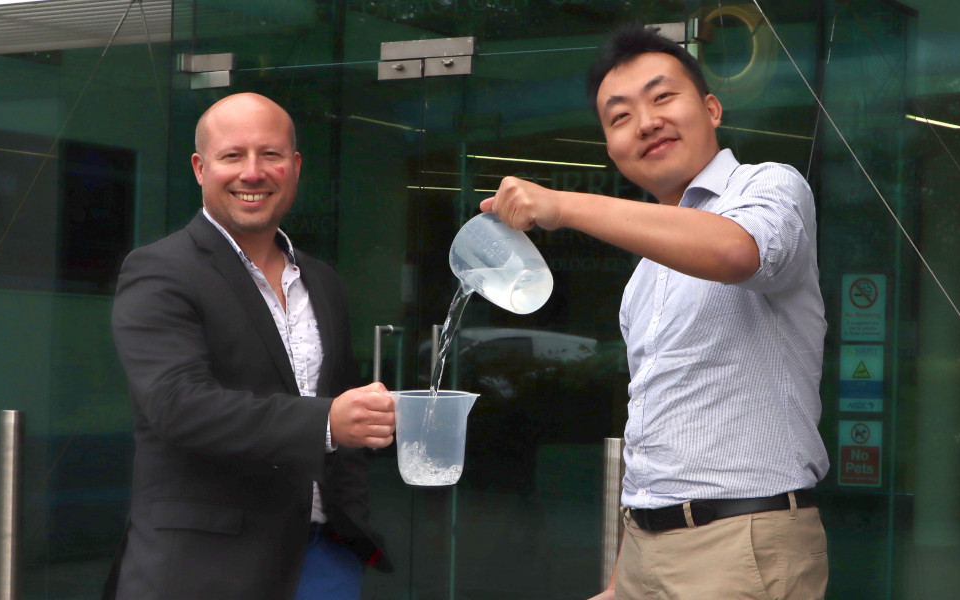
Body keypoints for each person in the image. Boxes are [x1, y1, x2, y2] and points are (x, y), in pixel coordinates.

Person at [481, 22, 829, 600]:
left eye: (663, 96)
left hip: (742, 543)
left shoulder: (771, 187)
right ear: (612, 148)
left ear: (712, 108)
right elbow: (653, 428)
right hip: (647, 551)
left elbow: (736, 250)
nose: (645, 123)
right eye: (620, 117)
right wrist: (622, 580)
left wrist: (561, 204)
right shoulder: (645, 275)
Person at [105, 92, 395, 600]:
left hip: (325, 558)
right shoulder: (160, 270)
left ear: (296, 166)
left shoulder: (322, 280)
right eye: (232, 155)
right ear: (200, 168)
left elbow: (341, 397)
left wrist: (351, 523)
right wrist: (327, 423)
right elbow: (177, 406)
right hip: (206, 568)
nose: (253, 172)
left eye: (272, 154)